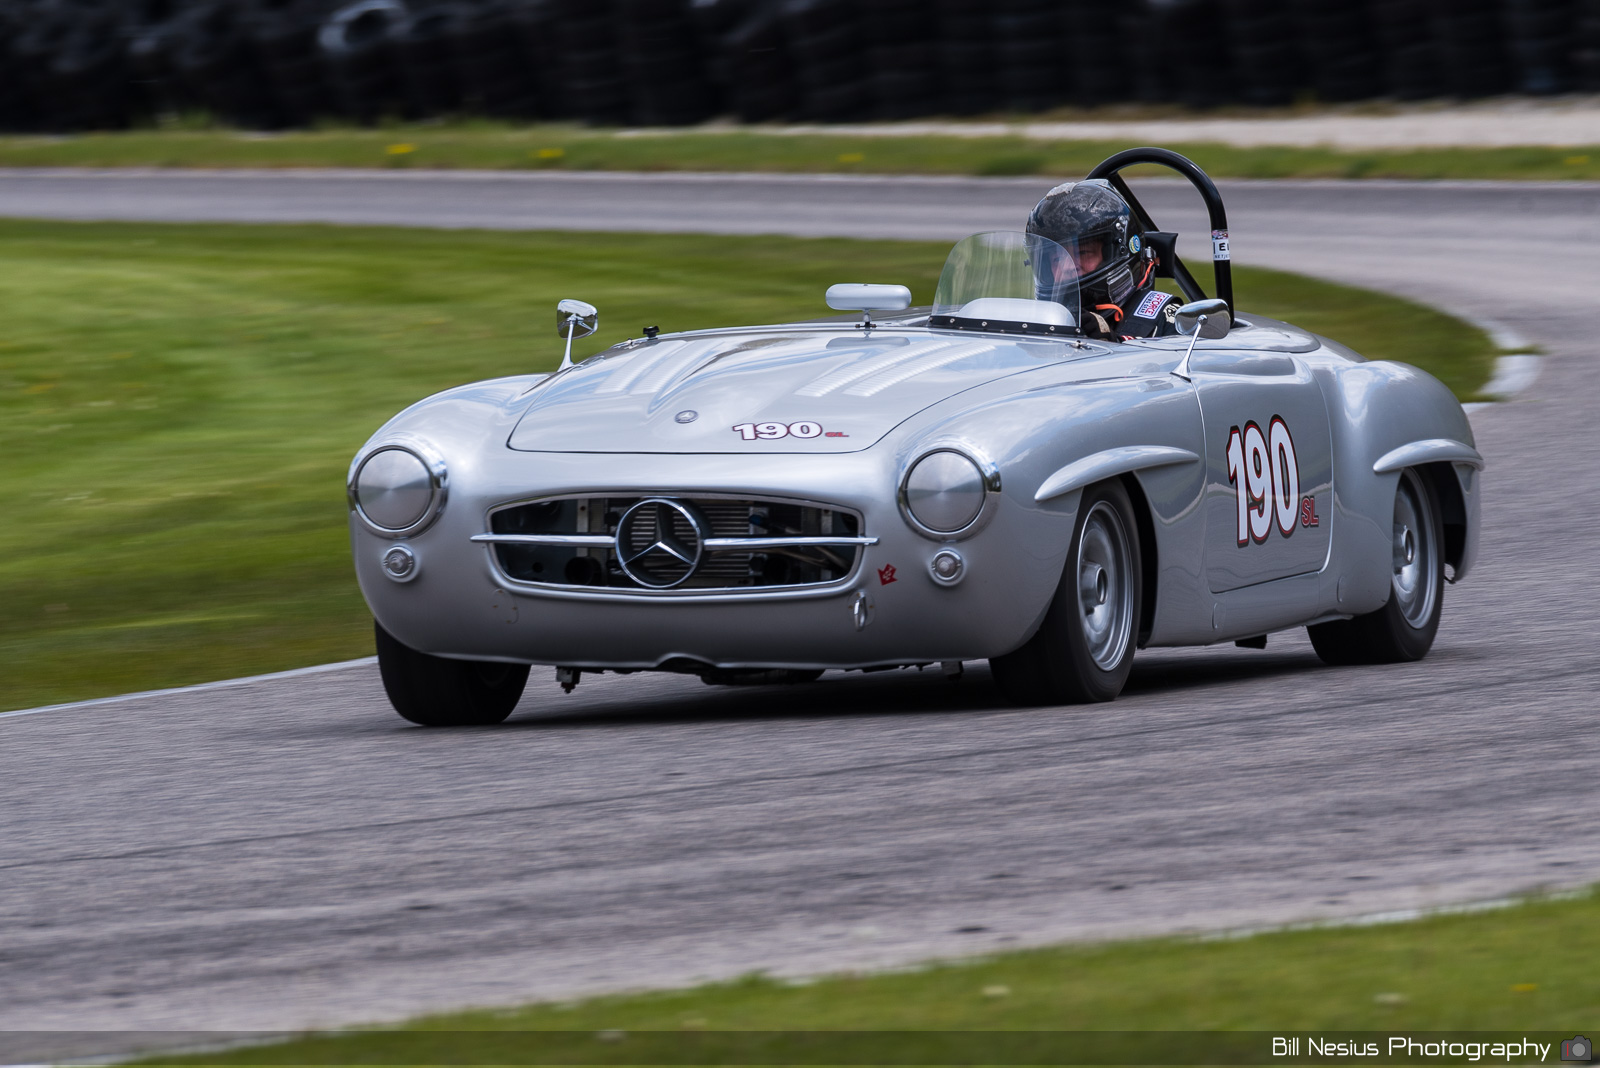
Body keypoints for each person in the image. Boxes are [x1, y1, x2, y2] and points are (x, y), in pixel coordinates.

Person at [1025, 178, 1182, 340]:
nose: (1068, 267)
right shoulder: (1038, 321)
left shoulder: (1169, 319)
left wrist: (1113, 342)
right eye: (1057, 259)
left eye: (1083, 253)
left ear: (1116, 253)